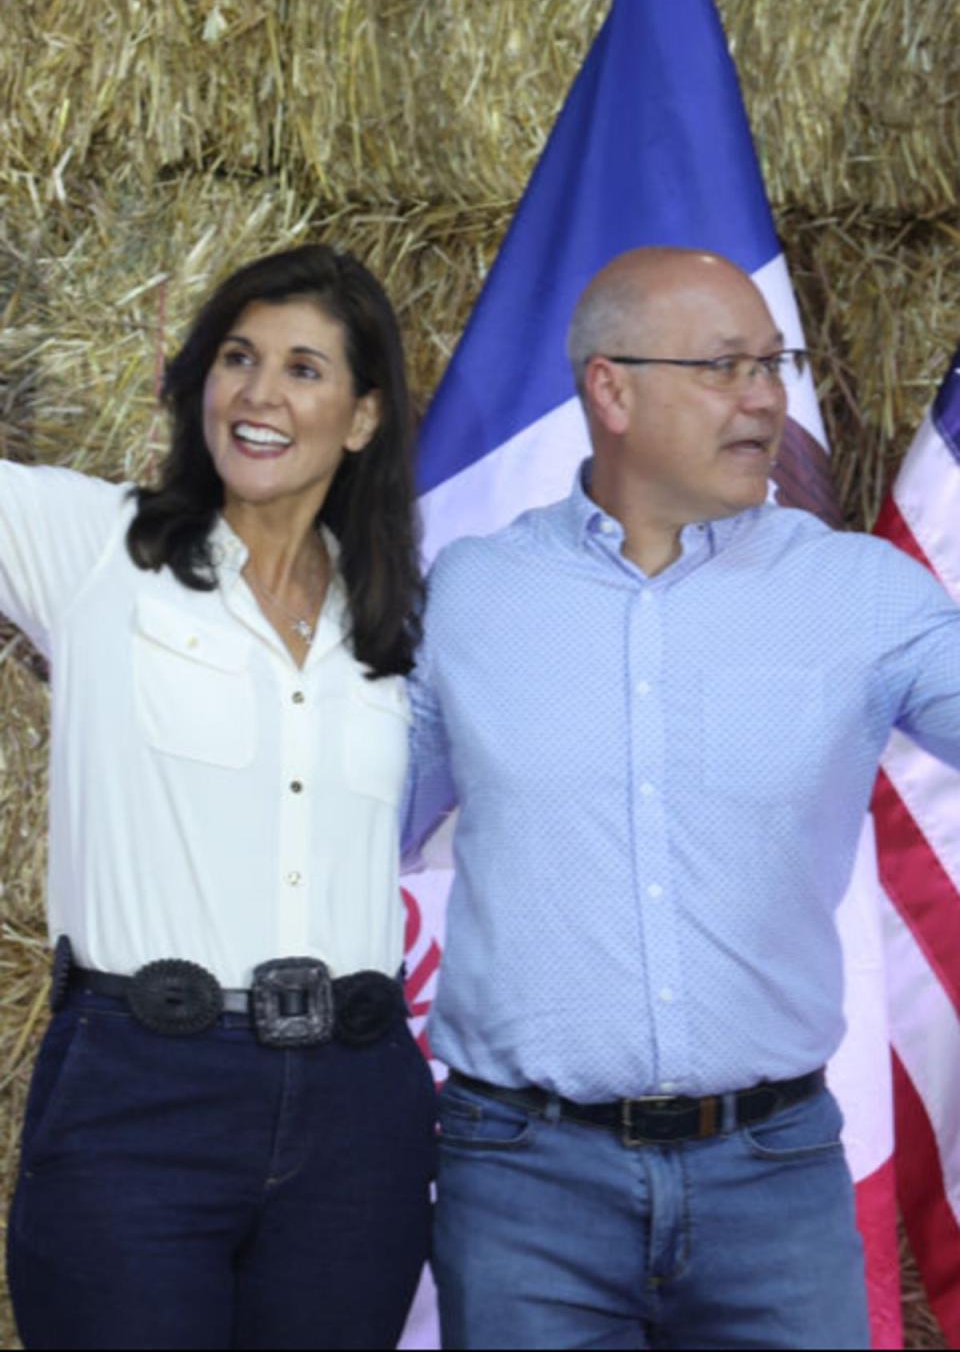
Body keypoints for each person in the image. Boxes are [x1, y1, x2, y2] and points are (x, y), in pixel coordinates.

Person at [404, 246, 960, 1351]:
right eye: (725, 367)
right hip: (523, 1181)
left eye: (773, 363)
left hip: (776, 1173)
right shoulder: (470, 594)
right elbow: (344, 829)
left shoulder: (861, 594)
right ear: (609, 388)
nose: (766, 397)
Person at [2, 243, 436, 1350]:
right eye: (237, 358)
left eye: (303, 368)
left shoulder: (398, 622)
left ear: (364, 415)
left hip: (359, 1104)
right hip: (140, 1087)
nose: (257, 393)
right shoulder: (98, 548)